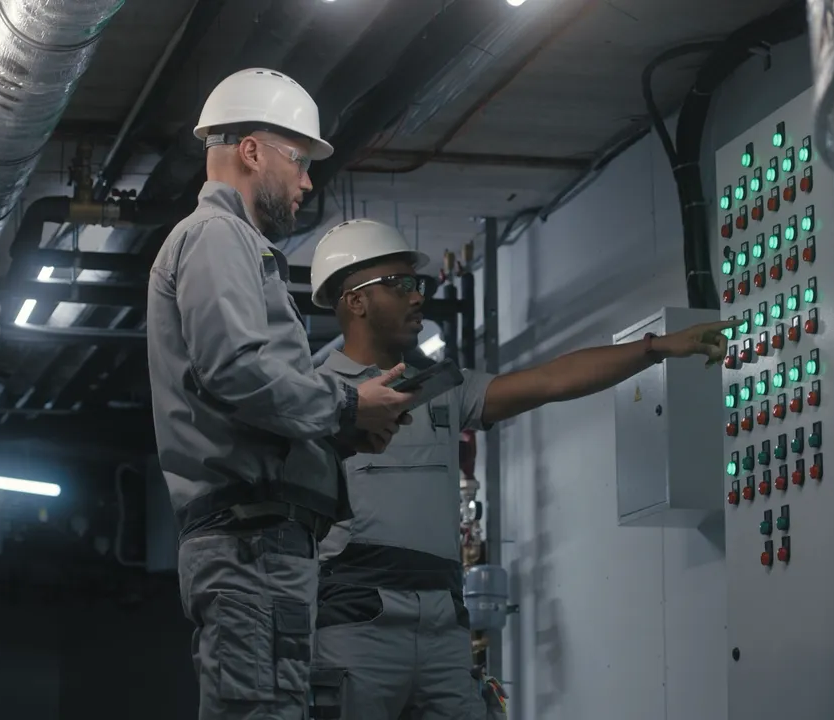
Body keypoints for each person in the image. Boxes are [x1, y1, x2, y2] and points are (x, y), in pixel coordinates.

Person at [305, 219, 732, 720]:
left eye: (417, 285)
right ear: (355, 301)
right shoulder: (315, 398)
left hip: (443, 624)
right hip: (356, 623)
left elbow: (550, 380)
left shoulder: (441, 387)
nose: (418, 297)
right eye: (401, 285)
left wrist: (656, 348)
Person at [146, 71, 417, 719]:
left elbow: (249, 386)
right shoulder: (217, 238)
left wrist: (342, 426)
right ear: (252, 150)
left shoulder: (235, 245)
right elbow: (237, 371)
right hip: (251, 549)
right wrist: (347, 406)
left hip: (264, 548)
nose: (306, 182)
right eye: (299, 161)